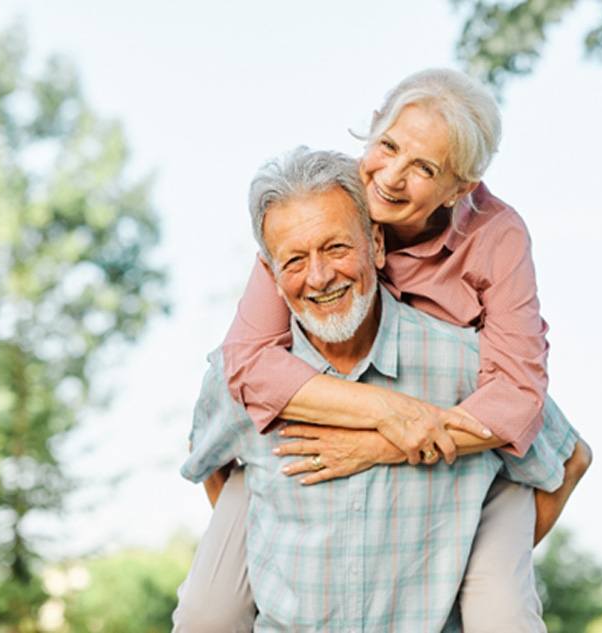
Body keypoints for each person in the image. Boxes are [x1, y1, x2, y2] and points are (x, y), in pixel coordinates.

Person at [176, 147, 558, 631]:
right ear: (270, 275)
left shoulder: (465, 365)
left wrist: (479, 586)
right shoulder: (237, 381)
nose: (319, 277)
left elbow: (561, 465)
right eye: (294, 259)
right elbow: (210, 463)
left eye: (336, 248)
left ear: (377, 245)